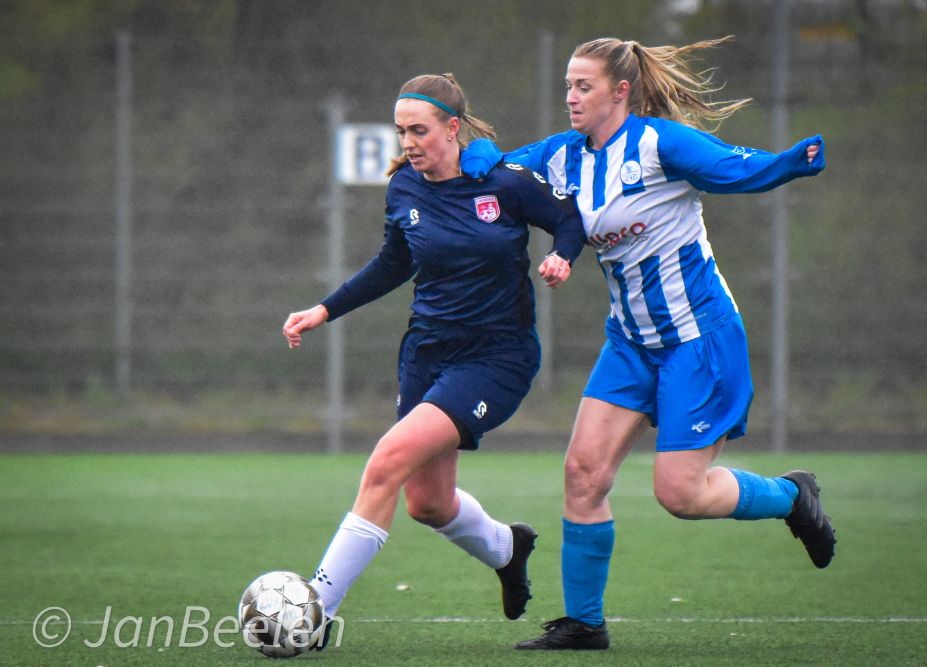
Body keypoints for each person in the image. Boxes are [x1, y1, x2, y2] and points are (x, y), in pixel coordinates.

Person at [461, 37, 836, 650]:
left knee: (680, 494)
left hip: (697, 339)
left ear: (620, 91)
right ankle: (585, 624)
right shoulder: (562, 155)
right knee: (583, 473)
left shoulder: (660, 143)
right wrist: (477, 159)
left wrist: (791, 162)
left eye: (584, 86)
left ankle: (792, 497)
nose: (571, 96)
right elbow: (504, 173)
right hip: (631, 342)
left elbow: (733, 168)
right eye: (568, 85)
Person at [281, 73, 586, 647]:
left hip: (495, 358)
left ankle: (315, 610)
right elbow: (393, 263)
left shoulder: (505, 182)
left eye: (419, 130)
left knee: (386, 461)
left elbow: (569, 220)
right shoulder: (403, 187)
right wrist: (324, 310)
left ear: (452, 127)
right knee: (427, 504)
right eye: (401, 131)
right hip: (426, 353)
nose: (409, 143)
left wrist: (562, 257)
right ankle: (507, 548)